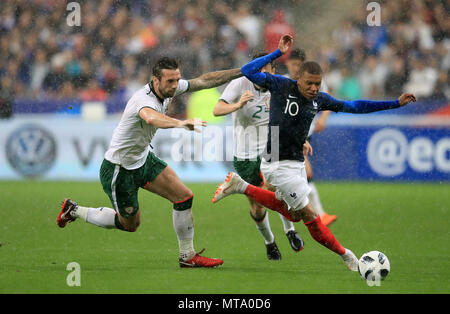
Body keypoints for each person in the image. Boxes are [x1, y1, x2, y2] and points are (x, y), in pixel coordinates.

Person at [212, 35, 417, 271]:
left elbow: (355, 106)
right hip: (276, 163)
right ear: (298, 79)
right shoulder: (280, 85)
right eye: (309, 83)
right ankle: (346, 255)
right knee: (309, 216)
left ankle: (240, 186)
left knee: (293, 213)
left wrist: (394, 103)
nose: (313, 88)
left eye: (317, 84)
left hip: (295, 162)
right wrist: (277, 53)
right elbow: (248, 70)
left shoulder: (319, 99)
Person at [57, 57, 243, 268]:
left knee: (184, 197)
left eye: (177, 80)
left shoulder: (169, 87)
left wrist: (242, 71)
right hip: (119, 170)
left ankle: (187, 256)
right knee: (130, 224)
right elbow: (151, 118)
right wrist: (181, 123)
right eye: (170, 81)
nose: (175, 86)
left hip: (143, 159)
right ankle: (74, 210)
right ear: (156, 80)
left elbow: (205, 80)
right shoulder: (142, 100)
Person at [212, 53, 305, 261]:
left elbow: (290, 115)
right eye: (259, 68)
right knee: (257, 207)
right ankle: (270, 242)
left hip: (272, 146)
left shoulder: (279, 84)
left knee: (277, 188)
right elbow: (217, 110)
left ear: (273, 70)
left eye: (268, 68)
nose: (264, 72)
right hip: (245, 154)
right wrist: (237, 106)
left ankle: (289, 230)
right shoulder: (239, 84)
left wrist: (299, 138)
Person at [286, 49, 337, 226]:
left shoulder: (312, 81)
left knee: (302, 175)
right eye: (294, 64)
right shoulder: (284, 82)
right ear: (288, 64)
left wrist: (323, 118)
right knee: (305, 173)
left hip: (306, 135)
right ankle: (315, 213)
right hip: (289, 136)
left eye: (300, 65)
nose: (297, 68)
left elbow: (329, 98)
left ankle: (305, 212)